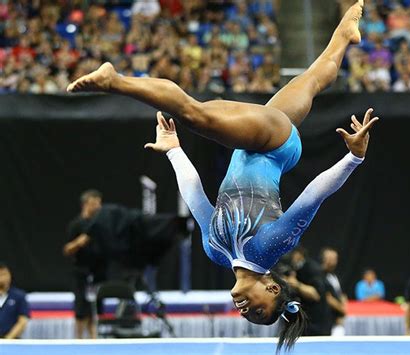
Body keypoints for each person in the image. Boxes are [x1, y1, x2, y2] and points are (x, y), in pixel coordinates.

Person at [68, 1, 376, 350]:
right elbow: (312, 197)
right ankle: (116, 81)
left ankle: (344, 33)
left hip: (262, 144)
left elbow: (196, 197)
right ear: (272, 287)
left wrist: (173, 150)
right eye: (259, 311)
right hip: (269, 146)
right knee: (194, 115)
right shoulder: (268, 249)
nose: (246, 311)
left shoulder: (216, 251)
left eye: (249, 318)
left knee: (315, 78)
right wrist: (353, 158)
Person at [63, 189, 104, 339]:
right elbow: (67, 249)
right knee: (81, 312)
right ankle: (78, 342)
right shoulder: (76, 224)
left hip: (97, 273)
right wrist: (78, 243)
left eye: (99, 204)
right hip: (80, 273)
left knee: (94, 311)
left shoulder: (99, 224)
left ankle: (94, 341)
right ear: (86, 204)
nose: (98, 207)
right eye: (94, 204)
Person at [286, 247, 332, 336]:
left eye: (293, 254)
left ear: (299, 254)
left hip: (316, 326)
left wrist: (296, 284)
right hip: (302, 323)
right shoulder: (293, 269)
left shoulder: (311, 268)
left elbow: (315, 295)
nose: (291, 257)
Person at [321, 247, 347, 335]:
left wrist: (343, 307)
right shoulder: (319, 276)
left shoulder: (334, 276)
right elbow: (327, 298)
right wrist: (342, 310)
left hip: (337, 322)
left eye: (335, 259)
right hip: (326, 322)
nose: (333, 262)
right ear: (323, 259)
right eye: (330, 258)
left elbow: (341, 294)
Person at [0, 262, 30, 339]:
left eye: (5, 274)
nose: (4, 278)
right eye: (1, 275)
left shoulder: (18, 296)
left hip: (11, 340)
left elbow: (22, 321)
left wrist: (8, 339)